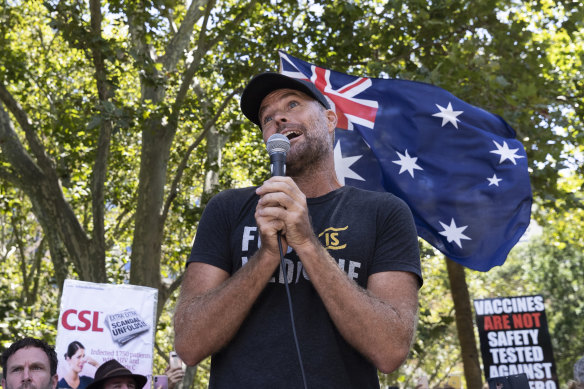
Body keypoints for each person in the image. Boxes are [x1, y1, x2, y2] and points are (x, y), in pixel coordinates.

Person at [174, 72, 422, 388]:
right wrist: (266, 256)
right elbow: (189, 345)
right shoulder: (227, 208)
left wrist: (306, 242)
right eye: (266, 118)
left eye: (293, 103)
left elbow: (390, 351)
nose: (278, 117)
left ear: (331, 119)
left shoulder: (384, 212)